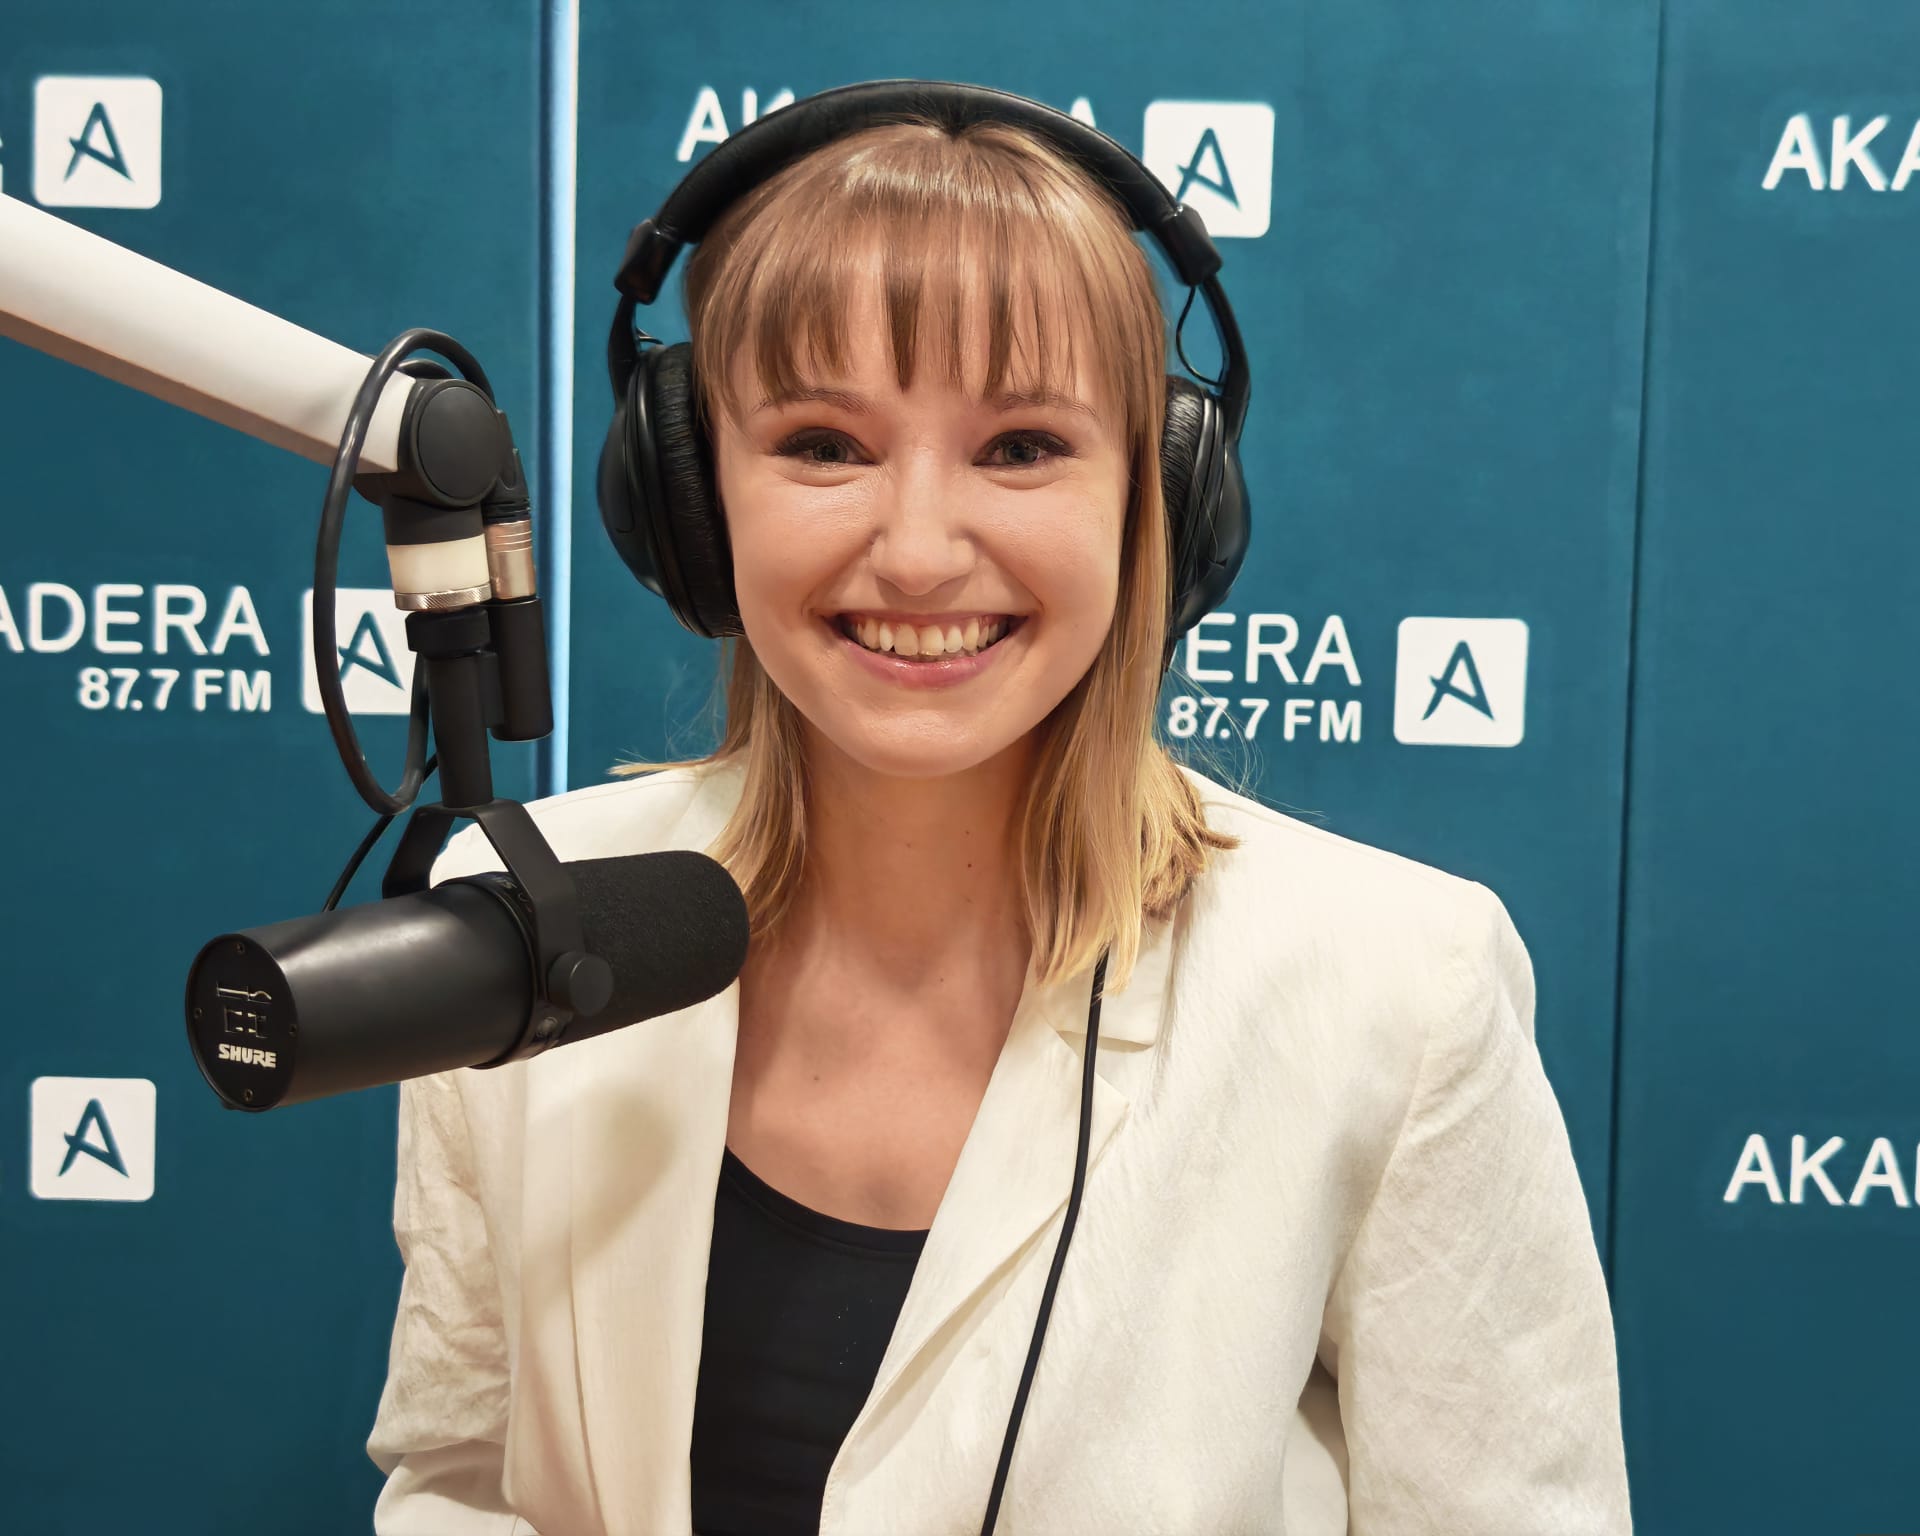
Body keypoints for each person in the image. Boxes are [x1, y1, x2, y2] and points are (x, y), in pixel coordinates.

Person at [366, 84, 1633, 1536]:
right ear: (691, 500)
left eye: (1021, 447)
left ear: (1157, 500)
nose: (916, 551)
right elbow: (458, 1482)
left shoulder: (1393, 987)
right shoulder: (525, 924)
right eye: (824, 444)